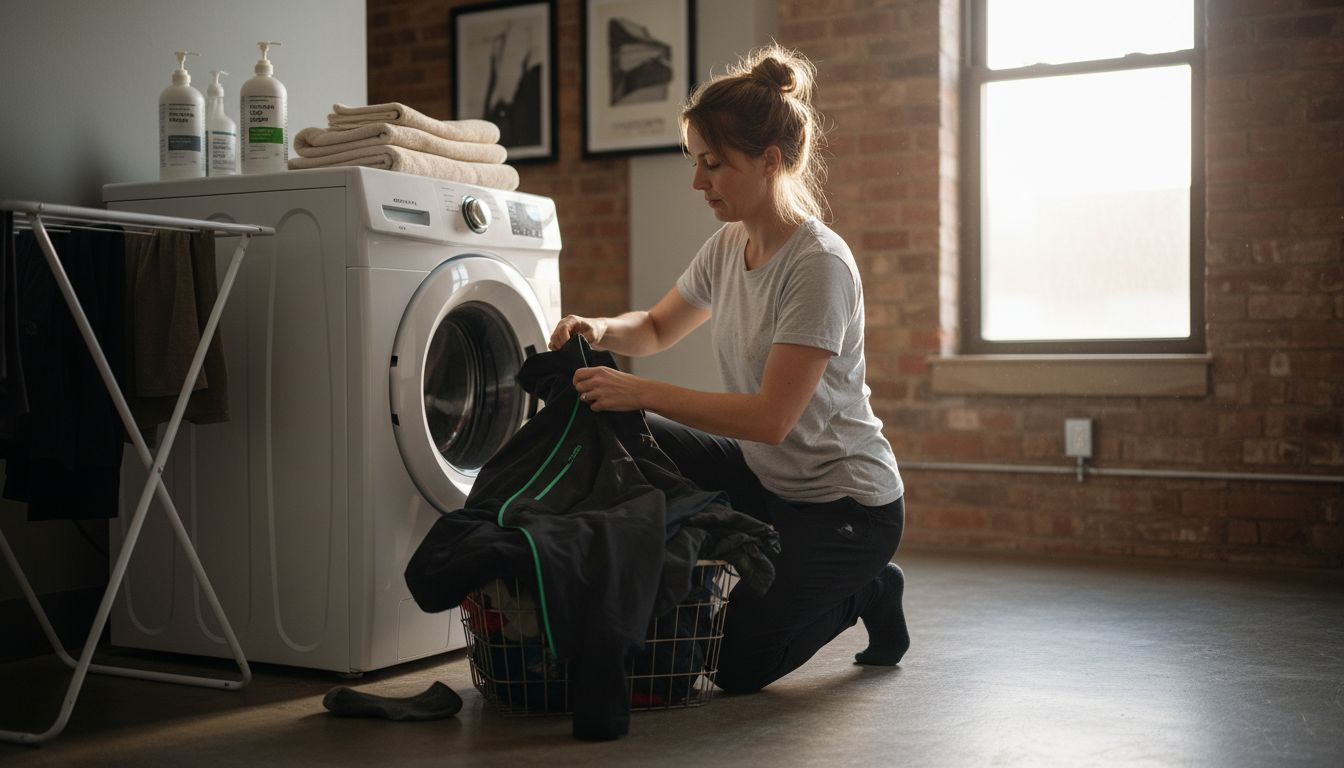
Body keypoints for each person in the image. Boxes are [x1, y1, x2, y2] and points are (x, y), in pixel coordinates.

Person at [548, 44, 908, 694]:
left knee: (736, 668)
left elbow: (772, 419)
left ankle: (869, 586)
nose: (698, 182)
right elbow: (657, 327)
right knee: (631, 429)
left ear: (770, 162)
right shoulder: (728, 244)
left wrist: (637, 387)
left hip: (846, 507)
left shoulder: (818, 265)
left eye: (713, 164)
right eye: (696, 163)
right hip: (769, 483)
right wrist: (598, 327)